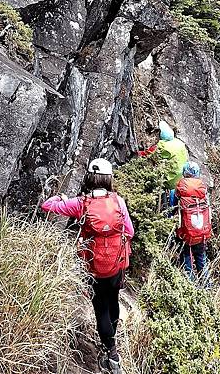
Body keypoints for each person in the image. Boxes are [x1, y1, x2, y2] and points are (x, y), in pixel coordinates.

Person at [41, 158, 134, 374]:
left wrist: (60, 197)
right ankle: (111, 341)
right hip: (117, 264)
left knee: (100, 307)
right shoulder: (118, 202)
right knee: (113, 301)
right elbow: (130, 232)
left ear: (90, 177)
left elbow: (48, 206)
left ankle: (111, 353)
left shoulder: (81, 204)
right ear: (109, 178)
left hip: (94, 267)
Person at [169, 161, 212, 284]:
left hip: (185, 233)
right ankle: (206, 288)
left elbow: (172, 212)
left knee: (186, 259)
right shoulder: (203, 191)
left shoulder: (177, 191)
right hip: (202, 232)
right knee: (201, 259)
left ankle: (190, 287)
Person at [138, 120, 189, 191]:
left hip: (170, 179)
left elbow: (148, 153)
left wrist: (137, 153)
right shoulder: (179, 143)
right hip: (181, 177)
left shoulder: (162, 146)